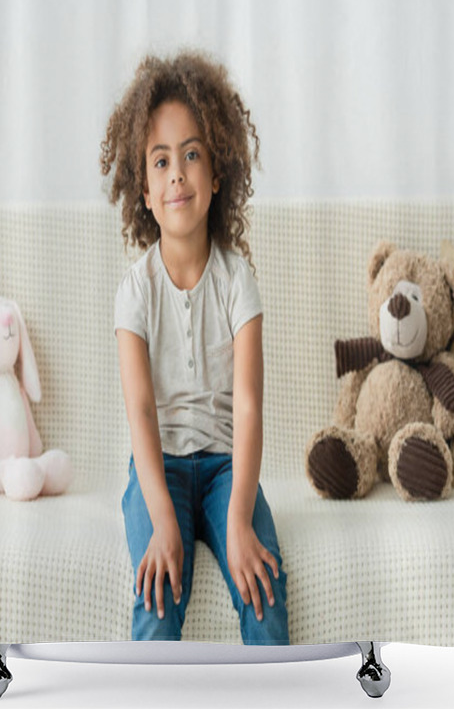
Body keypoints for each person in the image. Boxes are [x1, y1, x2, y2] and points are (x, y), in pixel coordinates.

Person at [100, 51, 289, 645]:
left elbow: (250, 405)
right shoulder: (134, 293)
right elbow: (140, 414)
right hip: (160, 468)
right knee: (157, 594)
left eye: (191, 155)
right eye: (161, 161)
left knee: (264, 588)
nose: (177, 173)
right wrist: (160, 517)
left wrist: (237, 519)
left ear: (216, 175)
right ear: (146, 192)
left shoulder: (238, 281)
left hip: (228, 468)